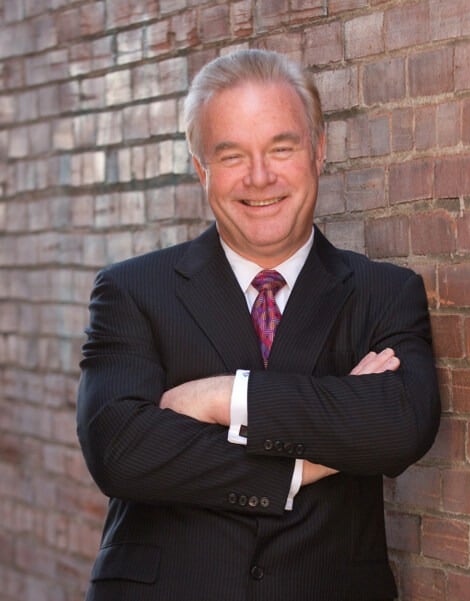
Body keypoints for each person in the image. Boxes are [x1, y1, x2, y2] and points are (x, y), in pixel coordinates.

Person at [77, 49, 440, 601]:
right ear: (201, 169)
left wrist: (227, 396)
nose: (260, 177)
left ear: (319, 152)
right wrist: (310, 456)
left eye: (281, 147)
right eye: (232, 156)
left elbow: (400, 425)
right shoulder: (132, 291)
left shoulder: (384, 294)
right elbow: (122, 452)